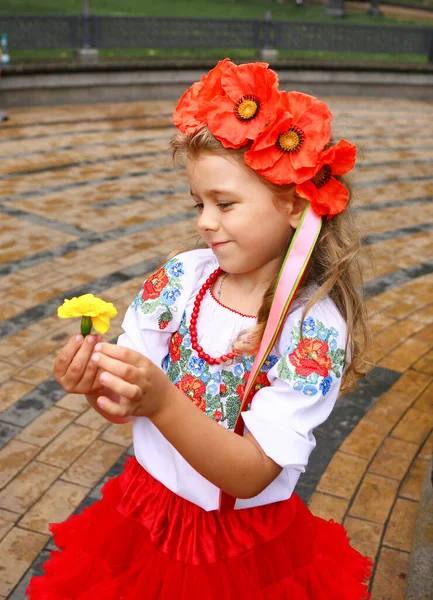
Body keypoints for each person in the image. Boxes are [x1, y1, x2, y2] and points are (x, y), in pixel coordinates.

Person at [27, 59, 373, 599]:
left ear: (293, 205)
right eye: (199, 202)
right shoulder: (182, 279)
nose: (203, 221)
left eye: (225, 204)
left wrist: (161, 400)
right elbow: (126, 406)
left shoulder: (310, 331)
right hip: (143, 508)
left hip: (232, 547)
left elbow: (250, 474)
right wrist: (99, 384)